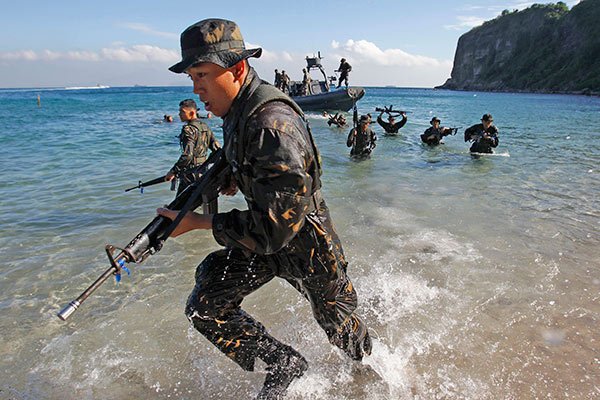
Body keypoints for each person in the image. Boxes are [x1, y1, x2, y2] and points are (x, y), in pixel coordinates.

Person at [158, 18, 371, 399]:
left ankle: (375, 380)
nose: (196, 88)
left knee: (341, 330)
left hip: (306, 247)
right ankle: (283, 363)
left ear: (237, 69)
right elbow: (240, 158)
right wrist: (229, 177)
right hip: (264, 241)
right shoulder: (237, 110)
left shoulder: (272, 125)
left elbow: (276, 228)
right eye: (192, 77)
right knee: (206, 302)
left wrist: (198, 223)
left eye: (203, 74)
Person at [165, 99, 220, 196]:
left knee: (178, 208)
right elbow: (217, 150)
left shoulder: (188, 129)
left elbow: (187, 155)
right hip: (203, 173)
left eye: (182, 112)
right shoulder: (205, 126)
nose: (179, 114)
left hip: (189, 176)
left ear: (192, 113)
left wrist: (173, 171)